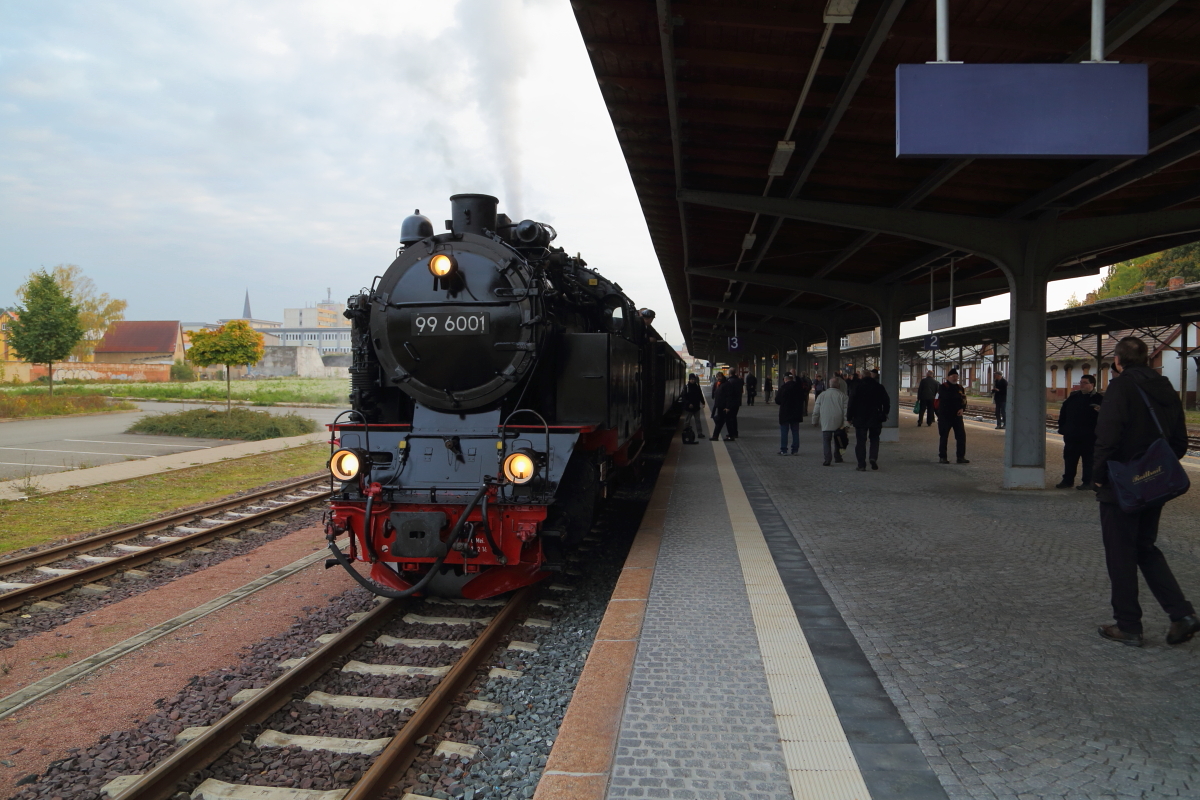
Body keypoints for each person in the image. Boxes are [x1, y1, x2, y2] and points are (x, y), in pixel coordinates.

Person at [1093, 337, 1198, 647]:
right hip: (1155, 482)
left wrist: (1098, 476)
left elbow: (1107, 437)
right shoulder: (1166, 387)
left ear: (1117, 361)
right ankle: (1181, 615)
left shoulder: (1121, 387)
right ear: (1149, 358)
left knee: (1120, 554)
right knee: (1145, 548)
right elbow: (1180, 440)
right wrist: (1157, 468)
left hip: (1121, 484)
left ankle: (1128, 626)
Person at [1056, 374, 1103, 489]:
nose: (1081, 384)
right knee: (1070, 459)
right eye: (1081, 382)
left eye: (1084, 382)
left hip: (1090, 436)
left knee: (1088, 460)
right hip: (1072, 435)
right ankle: (1067, 480)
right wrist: (1063, 428)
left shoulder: (1099, 399)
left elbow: (1104, 417)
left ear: (1092, 384)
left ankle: (1088, 482)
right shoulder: (1073, 397)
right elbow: (1063, 412)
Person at [846, 369, 890, 471]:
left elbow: (851, 403)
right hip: (875, 417)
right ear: (870, 376)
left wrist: (849, 417)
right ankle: (873, 457)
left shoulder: (857, 386)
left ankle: (861, 464)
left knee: (861, 441)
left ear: (861, 376)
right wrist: (885, 413)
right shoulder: (879, 387)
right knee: (874, 439)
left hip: (860, 418)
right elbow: (886, 402)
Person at [811, 375, 848, 466]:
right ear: (838, 386)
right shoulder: (843, 396)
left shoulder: (822, 395)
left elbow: (816, 409)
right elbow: (846, 411)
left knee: (826, 441)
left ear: (829, 385)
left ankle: (827, 459)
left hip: (826, 422)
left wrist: (815, 420)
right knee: (838, 440)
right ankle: (838, 457)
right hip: (838, 422)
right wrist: (846, 423)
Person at [935, 369, 969, 464]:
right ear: (948, 377)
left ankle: (961, 457)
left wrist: (962, 408)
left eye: (956, 376)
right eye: (953, 376)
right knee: (944, 436)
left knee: (961, 436)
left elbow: (964, 399)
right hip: (945, 416)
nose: (955, 378)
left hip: (957, 416)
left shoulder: (960, 387)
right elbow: (944, 399)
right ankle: (943, 457)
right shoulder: (942, 387)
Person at [774, 374, 803, 455]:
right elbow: (802, 398)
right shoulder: (798, 388)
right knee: (795, 432)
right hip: (796, 413)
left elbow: (777, 401)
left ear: (785, 379)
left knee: (784, 432)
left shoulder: (783, 388)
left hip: (785, 413)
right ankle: (795, 450)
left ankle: (784, 450)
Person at [711, 372, 743, 441]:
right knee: (726, 422)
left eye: (719, 376)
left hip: (724, 407)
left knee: (723, 422)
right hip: (720, 406)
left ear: (722, 376)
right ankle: (729, 436)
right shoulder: (719, 384)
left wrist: (728, 407)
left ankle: (716, 436)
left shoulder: (726, 384)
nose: (718, 378)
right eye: (717, 377)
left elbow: (729, 396)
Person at [680, 374, 705, 444]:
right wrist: (688, 404)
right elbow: (684, 397)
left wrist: (703, 402)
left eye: (694, 379)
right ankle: (685, 433)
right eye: (691, 379)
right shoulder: (686, 387)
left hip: (696, 407)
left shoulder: (697, 386)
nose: (693, 380)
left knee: (698, 420)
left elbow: (700, 395)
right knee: (687, 421)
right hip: (688, 408)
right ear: (689, 380)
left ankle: (700, 433)